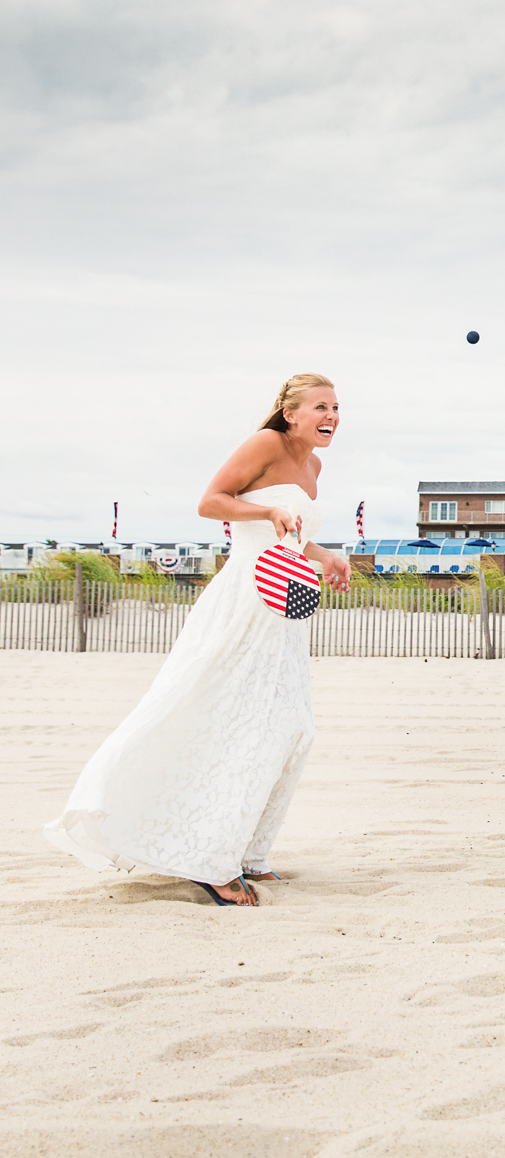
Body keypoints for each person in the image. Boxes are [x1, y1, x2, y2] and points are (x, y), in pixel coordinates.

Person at [44, 375, 351, 906]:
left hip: (283, 608)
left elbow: (292, 532)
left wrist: (323, 556)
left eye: (337, 407)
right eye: (320, 406)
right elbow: (211, 502)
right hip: (242, 600)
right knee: (233, 719)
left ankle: (250, 853)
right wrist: (266, 511)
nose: (332, 415)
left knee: (291, 726)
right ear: (291, 412)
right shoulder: (266, 445)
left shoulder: (314, 466)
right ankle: (211, 861)